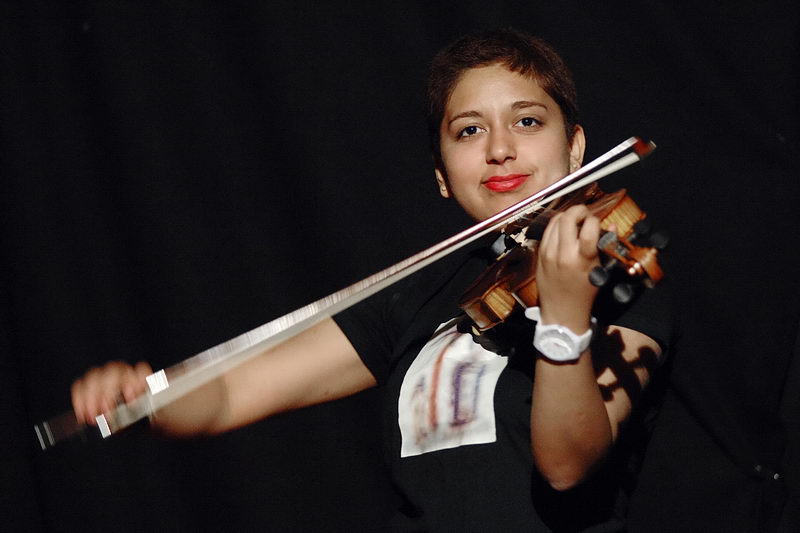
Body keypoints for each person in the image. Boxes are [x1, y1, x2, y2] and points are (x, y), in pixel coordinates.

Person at [71, 29, 671, 531]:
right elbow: (231, 392)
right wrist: (145, 400)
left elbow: (567, 467)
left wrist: (563, 321)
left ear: (576, 148)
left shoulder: (617, 273)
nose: (500, 149)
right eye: (469, 130)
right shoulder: (425, 290)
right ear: (442, 175)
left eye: (528, 121)